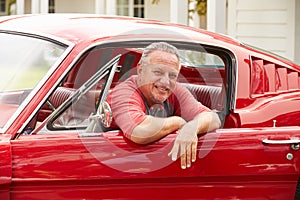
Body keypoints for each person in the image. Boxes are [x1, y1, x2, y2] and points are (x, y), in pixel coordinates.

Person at [107, 42, 221, 169]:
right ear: (140, 70)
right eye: (158, 72)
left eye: (172, 75)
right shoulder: (124, 92)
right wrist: (178, 122)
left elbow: (213, 119)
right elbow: (140, 131)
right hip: (110, 164)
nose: (165, 82)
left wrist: (192, 127)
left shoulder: (175, 90)